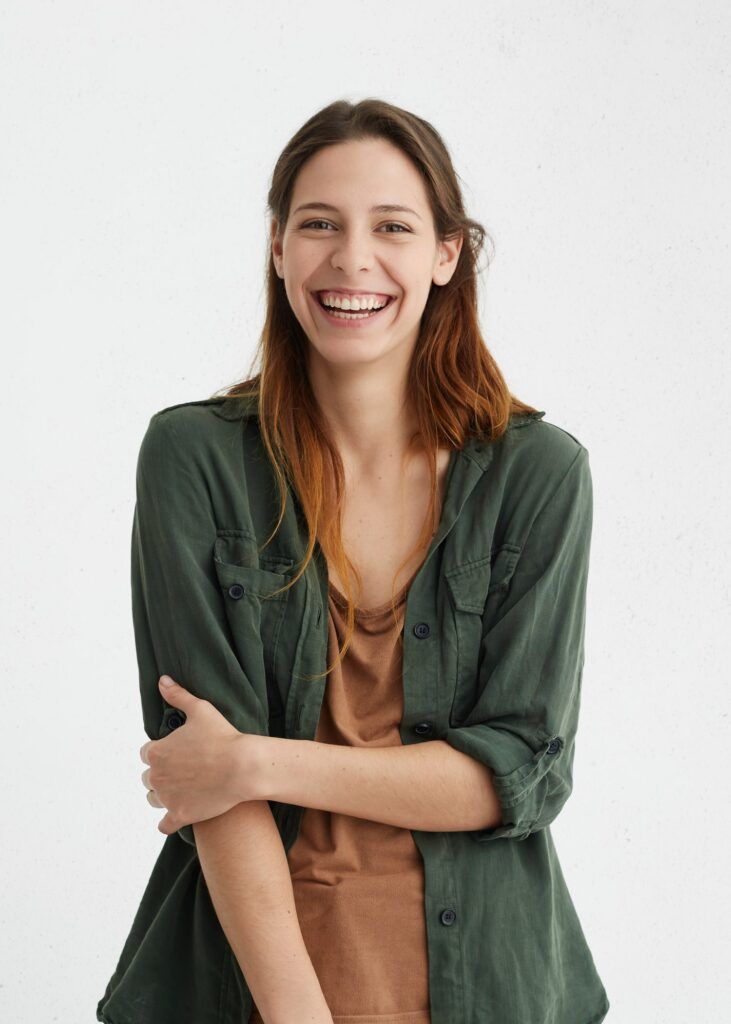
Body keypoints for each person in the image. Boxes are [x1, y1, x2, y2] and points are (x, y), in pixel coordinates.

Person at [96, 98, 610, 1024]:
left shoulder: (539, 475)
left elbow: (517, 777)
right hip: (247, 988)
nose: (352, 259)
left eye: (394, 227)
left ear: (447, 255)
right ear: (279, 247)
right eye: (319, 224)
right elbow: (206, 784)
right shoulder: (194, 459)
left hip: (491, 987)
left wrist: (253, 761)